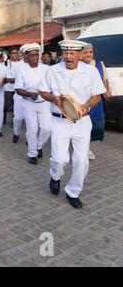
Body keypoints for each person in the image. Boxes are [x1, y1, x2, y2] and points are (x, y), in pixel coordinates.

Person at [39, 40, 106, 209]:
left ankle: (73, 191)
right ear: (62, 54)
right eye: (66, 53)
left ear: (80, 54)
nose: (69, 56)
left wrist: (86, 107)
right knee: (60, 159)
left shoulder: (90, 72)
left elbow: (97, 95)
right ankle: (55, 176)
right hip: (59, 121)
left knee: (81, 161)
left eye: (72, 53)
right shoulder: (53, 71)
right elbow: (43, 91)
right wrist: (53, 98)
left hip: (82, 122)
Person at [14, 44, 51, 165]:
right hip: (28, 103)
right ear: (26, 57)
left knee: (47, 128)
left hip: (44, 103)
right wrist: (30, 94)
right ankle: (32, 154)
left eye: (36, 55)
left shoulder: (46, 69)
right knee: (32, 129)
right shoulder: (22, 70)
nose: (34, 57)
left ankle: (38, 146)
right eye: (31, 55)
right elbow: (18, 89)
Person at [80, 43, 112, 160]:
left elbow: (105, 79)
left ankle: (85, 145)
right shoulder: (78, 67)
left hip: (97, 101)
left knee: (97, 125)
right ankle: (85, 148)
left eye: (90, 52)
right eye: (85, 52)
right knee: (85, 125)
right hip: (84, 100)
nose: (88, 54)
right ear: (80, 54)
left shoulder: (99, 64)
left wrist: (107, 90)